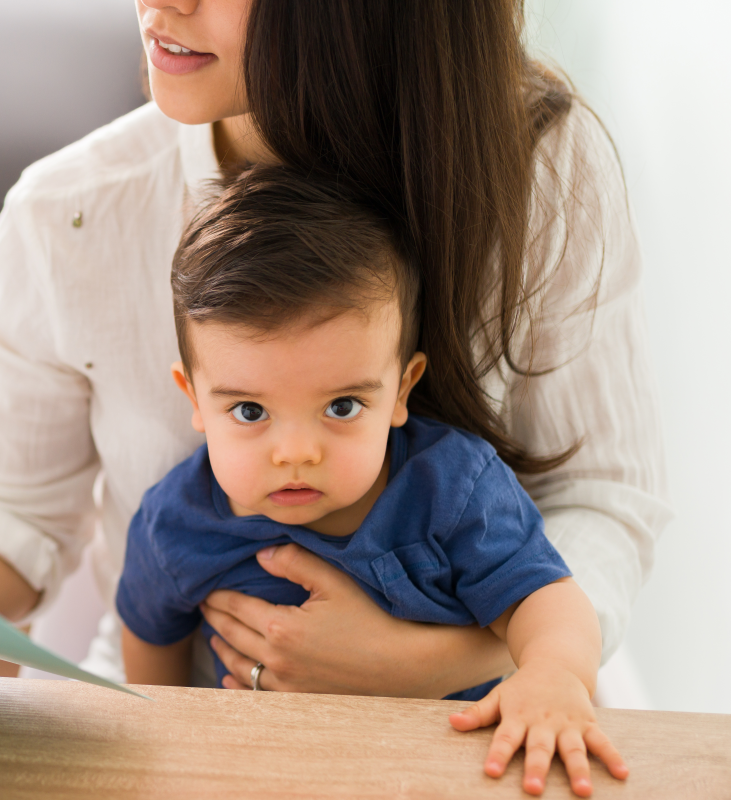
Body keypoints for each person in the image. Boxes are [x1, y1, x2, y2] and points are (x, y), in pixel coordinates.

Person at [0, 0, 667, 784]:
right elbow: (15, 513)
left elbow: (603, 498)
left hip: (491, 716)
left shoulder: (540, 171)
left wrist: (439, 663)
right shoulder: (71, 212)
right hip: (169, 718)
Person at [116, 166, 626, 796]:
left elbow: (546, 599)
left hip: (459, 766)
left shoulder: (452, 488)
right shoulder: (176, 524)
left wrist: (554, 674)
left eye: (342, 406)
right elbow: (147, 668)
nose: (295, 453)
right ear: (193, 397)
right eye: (250, 412)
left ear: (401, 390)